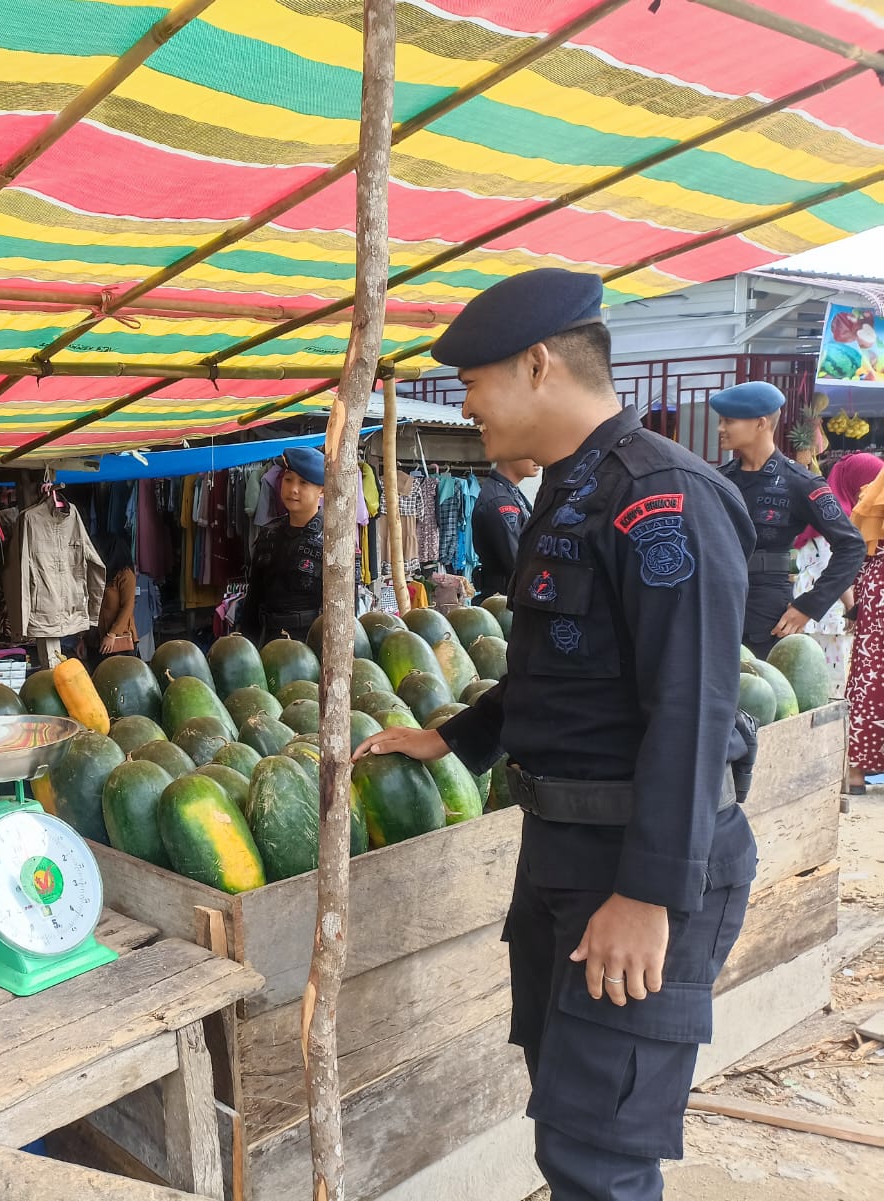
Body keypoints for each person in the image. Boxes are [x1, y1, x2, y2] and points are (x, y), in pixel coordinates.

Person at [353, 268, 758, 1201]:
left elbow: (691, 708)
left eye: (472, 382)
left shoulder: (664, 500)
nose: (464, 404)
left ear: (540, 365)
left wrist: (648, 896)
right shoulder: (571, 492)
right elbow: (557, 670)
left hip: (637, 866)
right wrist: (456, 737)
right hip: (565, 853)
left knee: (599, 1155)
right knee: (566, 1114)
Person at [711, 381, 865, 658]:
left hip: (765, 611)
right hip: (714, 602)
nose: (720, 429)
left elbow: (852, 545)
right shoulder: (718, 480)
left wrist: (809, 605)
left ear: (760, 424)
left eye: (728, 421)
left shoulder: (800, 482)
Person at [822, 454, 884, 793]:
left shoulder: (873, 498)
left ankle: (856, 771)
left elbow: (855, 557)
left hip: (876, 589)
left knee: (870, 675)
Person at [239, 446, 325, 644]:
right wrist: (246, 643)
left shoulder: (332, 541)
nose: (293, 489)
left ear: (322, 490)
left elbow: (345, 611)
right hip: (268, 642)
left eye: (303, 483)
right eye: (288, 479)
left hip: (311, 645)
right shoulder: (269, 533)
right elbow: (253, 599)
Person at [472, 458, 540, 600]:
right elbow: (517, 562)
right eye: (530, 452)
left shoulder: (508, 491)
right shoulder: (500, 500)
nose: (538, 458)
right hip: (504, 599)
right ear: (509, 452)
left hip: (507, 595)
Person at [89, 539, 140, 665]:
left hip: (118, 639)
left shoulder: (126, 575)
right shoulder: (101, 573)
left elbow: (128, 606)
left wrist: (112, 634)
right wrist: (83, 638)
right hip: (97, 639)